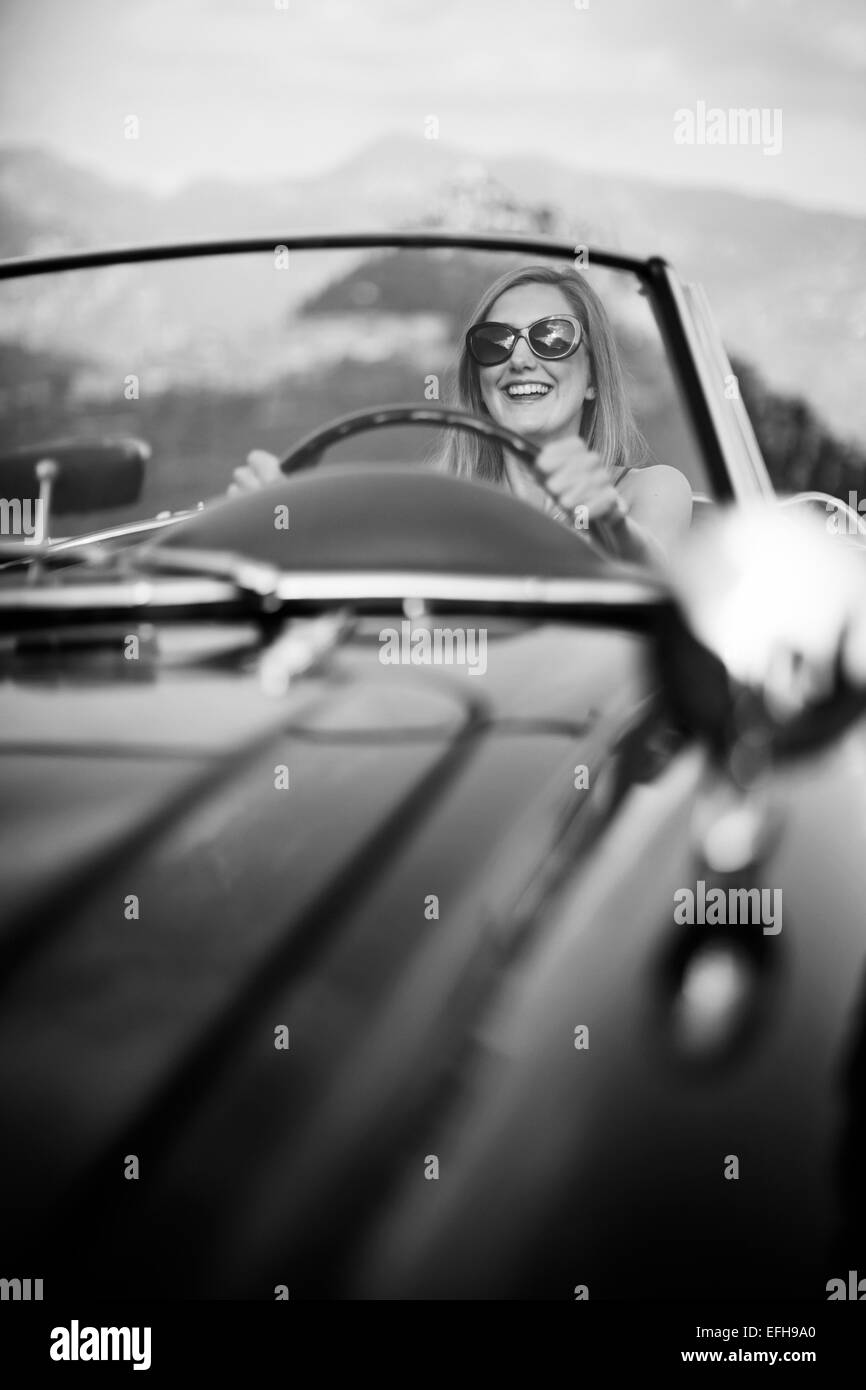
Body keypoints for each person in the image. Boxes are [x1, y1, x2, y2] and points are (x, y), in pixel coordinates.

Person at [229, 263, 692, 566]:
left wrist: (608, 522)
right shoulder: (438, 499)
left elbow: (657, 580)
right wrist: (282, 516)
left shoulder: (649, 489)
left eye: (552, 337)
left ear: (594, 376)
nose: (521, 360)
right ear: (480, 383)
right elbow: (363, 565)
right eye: (495, 342)